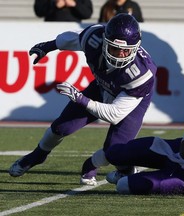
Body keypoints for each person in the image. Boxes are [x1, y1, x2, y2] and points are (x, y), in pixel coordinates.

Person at [9, 14, 157, 186]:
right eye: (115, 49)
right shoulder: (93, 38)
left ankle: (109, 167)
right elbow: (69, 39)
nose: (121, 55)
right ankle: (37, 155)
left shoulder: (141, 74)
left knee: (115, 151)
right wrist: (47, 46)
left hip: (131, 99)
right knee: (61, 127)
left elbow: (114, 114)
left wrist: (80, 98)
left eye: (126, 50)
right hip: (103, 86)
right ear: (105, 41)